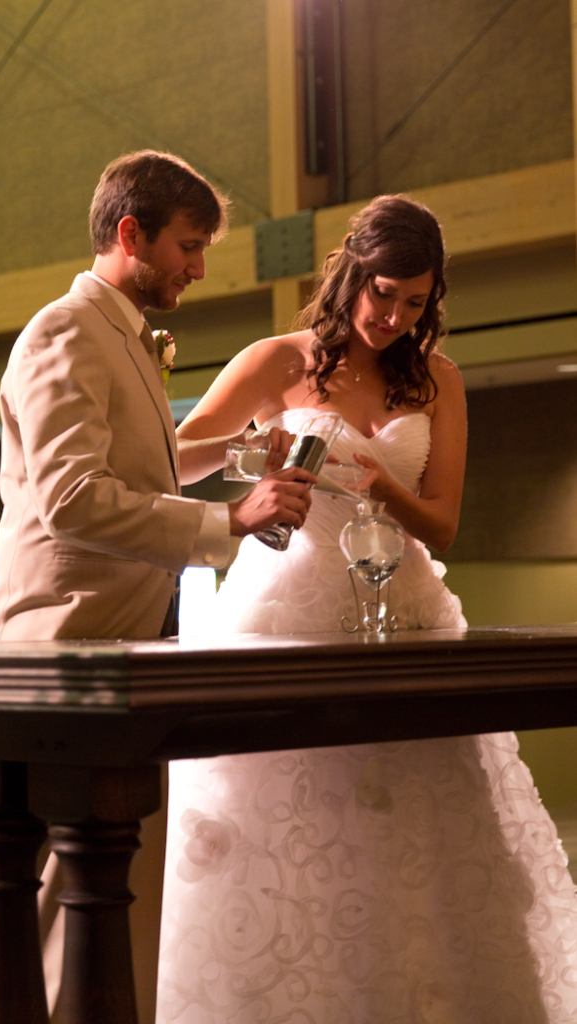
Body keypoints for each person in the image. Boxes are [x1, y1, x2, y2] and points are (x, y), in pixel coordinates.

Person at [155, 196, 577, 1021]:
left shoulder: (437, 379)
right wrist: (254, 452)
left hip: (406, 608)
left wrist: (383, 486)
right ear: (351, 273)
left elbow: (442, 525)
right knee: (290, 818)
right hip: (287, 607)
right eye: (383, 294)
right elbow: (175, 458)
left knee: (415, 823)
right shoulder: (277, 361)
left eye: (414, 302)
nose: (393, 317)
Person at [0, 149, 315, 1023]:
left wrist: (240, 452)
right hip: (62, 643)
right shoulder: (63, 331)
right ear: (130, 234)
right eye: (188, 247)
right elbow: (72, 500)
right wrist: (226, 523)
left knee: (99, 896)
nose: (198, 269)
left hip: (120, 645)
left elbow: (142, 469)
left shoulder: (122, 334)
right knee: (51, 898)